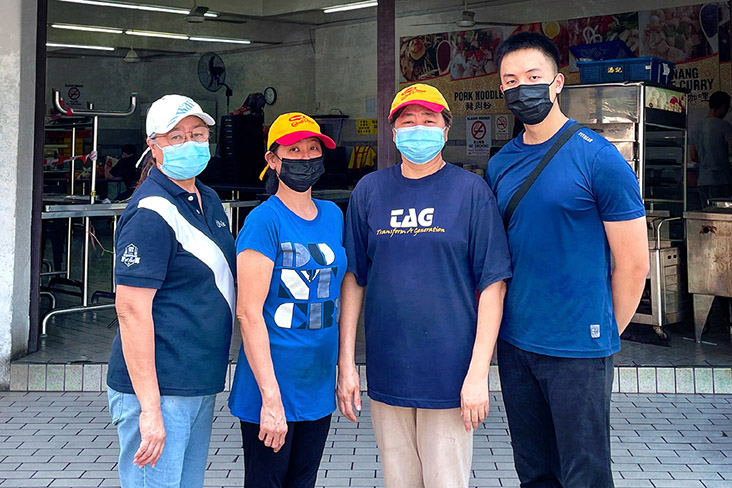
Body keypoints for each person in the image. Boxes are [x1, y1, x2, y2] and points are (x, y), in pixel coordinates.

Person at [486, 32, 650, 487]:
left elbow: (634, 264)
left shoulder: (599, 158)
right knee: (535, 471)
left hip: (578, 350)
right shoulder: (500, 165)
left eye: (533, 77)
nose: (523, 88)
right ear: (502, 90)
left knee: (585, 473)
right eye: (511, 80)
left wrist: (600, 333)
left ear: (558, 82)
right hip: (517, 344)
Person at [337, 83, 512, 488]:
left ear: (446, 130)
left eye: (428, 121)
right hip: (388, 370)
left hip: (449, 375)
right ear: (394, 132)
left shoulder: (471, 192)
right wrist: (347, 364)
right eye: (408, 121)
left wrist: (477, 374)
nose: (418, 129)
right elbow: (354, 277)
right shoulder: (370, 191)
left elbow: (493, 285)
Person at [107, 94, 235, 488]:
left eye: (198, 134)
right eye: (176, 136)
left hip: (197, 380)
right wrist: (149, 408)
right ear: (154, 145)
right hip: (160, 388)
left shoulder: (207, 199)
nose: (190, 143)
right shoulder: (151, 211)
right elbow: (130, 309)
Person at [228, 112, 346, 488]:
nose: (306, 157)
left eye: (313, 149)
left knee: (303, 482)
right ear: (273, 160)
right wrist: (271, 398)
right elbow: (248, 313)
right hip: (272, 386)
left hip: (316, 384)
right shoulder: (264, 221)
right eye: (294, 150)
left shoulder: (332, 215)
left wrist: (345, 370)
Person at [690, 90, 732, 206]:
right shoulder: (724, 125)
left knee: (706, 216)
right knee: (721, 215)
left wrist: (706, 160)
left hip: (703, 180)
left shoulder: (695, 127)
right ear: (723, 107)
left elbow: (693, 156)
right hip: (721, 179)